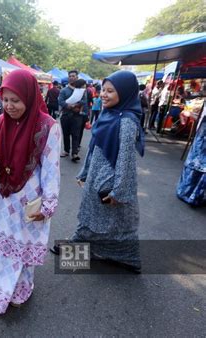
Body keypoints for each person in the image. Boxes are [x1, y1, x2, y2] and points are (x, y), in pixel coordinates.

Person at [0, 69, 61, 314]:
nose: (9, 106)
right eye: (5, 100)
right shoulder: (0, 122)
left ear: (29, 96)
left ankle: (18, 289)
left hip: (28, 199)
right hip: (3, 197)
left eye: (15, 100)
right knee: (0, 243)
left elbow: (51, 169)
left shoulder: (48, 127)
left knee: (22, 245)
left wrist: (49, 203)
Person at [51, 70, 145, 273]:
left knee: (111, 219)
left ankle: (123, 256)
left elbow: (126, 159)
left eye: (111, 91)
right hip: (97, 173)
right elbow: (95, 146)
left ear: (126, 92)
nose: (104, 94)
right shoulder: (109, 113)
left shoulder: (127, 120)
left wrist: (118, 190)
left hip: (110, 179)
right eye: (103, 89)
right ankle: (100, 251)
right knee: (97, 215)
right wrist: (85, 172)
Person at [176, 107, 205, 206]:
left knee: (197, 166)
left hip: (201, 138)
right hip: (201, 137)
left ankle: (189, 193)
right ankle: (192, 194)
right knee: (198, 166)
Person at [59, 70, 85, 162]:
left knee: (76, 135)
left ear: (77, 78)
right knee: (66, 134)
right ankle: (66, 150)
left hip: (77, 116)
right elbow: (60, 101)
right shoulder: (63, 90)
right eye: (70, 76)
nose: (72, 77)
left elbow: (84, 101)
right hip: (65, 115)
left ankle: (74, 153)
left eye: (74, 76)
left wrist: (76, 105)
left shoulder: (81, 91)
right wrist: (69, 106)